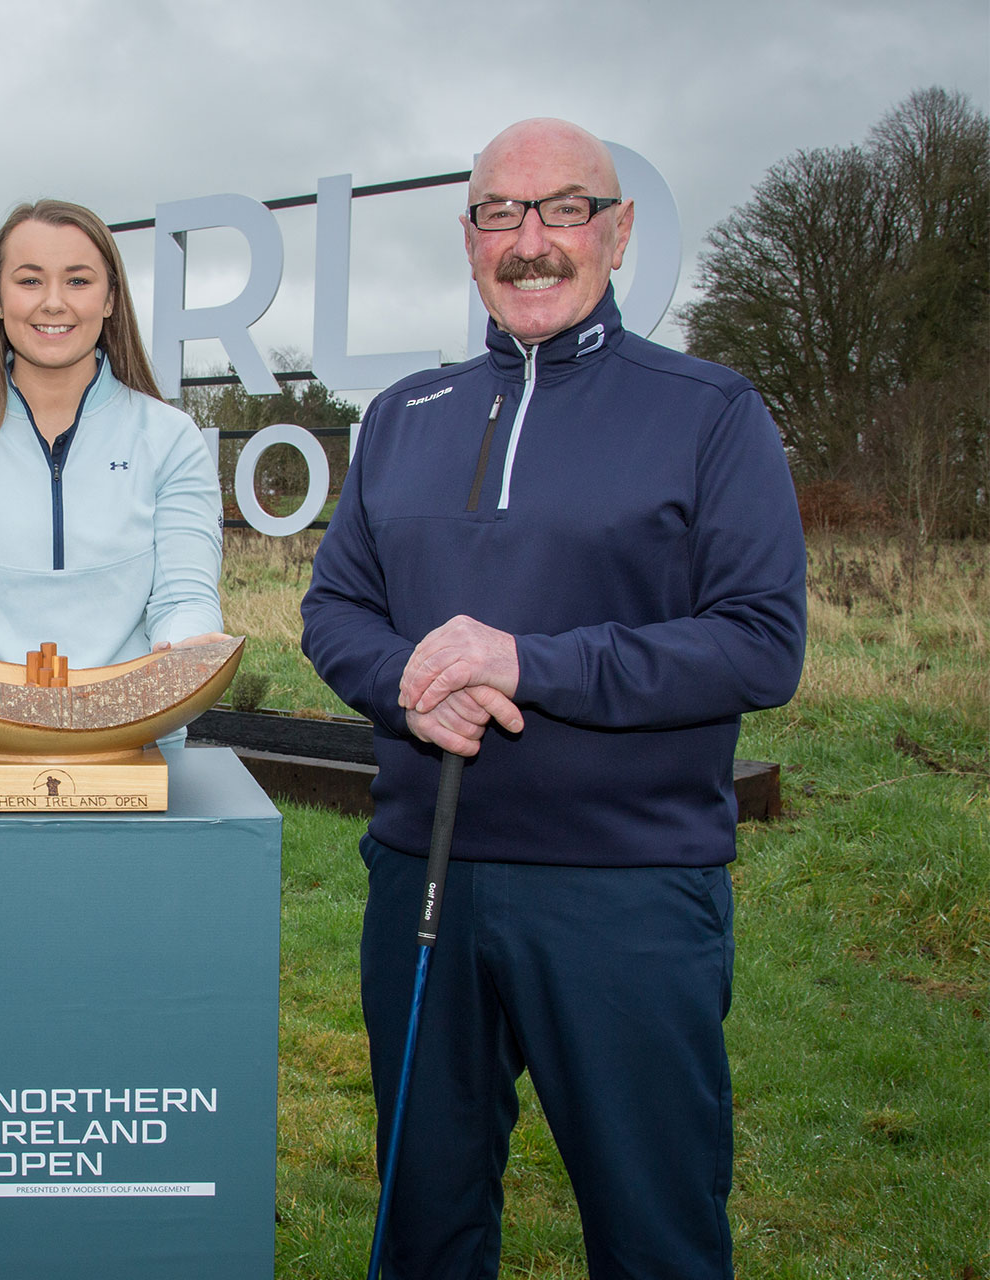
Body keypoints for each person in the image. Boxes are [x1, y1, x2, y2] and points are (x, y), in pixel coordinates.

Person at [300, 118, 806, 1277]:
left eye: (563, 208)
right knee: (424, 1227)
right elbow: (335, 614)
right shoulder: (402, 417)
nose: (530, 241)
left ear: (617, 232)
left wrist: (530, 662)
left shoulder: (711, 412)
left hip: (626, 888)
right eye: (500, 213)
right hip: (423, 881)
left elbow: (760, 644)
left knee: (655, 1234)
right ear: (469, 236)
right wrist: (408, 689)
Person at [0, 199, 226, 728]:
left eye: (78, 281)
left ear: (110, 300)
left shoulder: (171, 439)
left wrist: (195, 644)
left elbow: (184, 597)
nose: (54, 303)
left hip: (137, 741)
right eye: (30, 281)